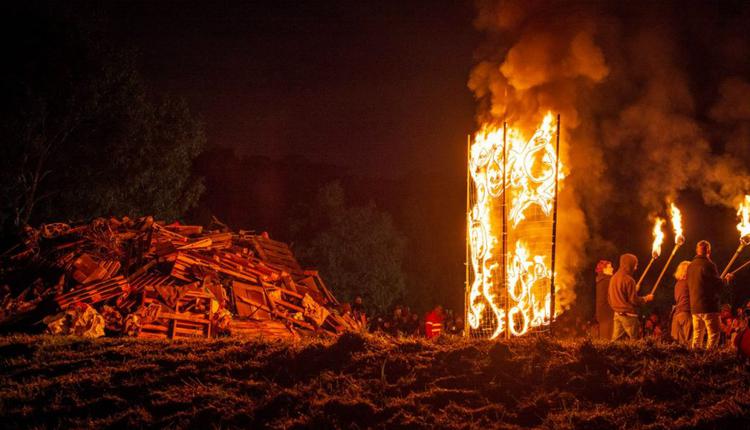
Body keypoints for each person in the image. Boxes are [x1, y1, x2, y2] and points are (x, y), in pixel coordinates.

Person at [687, 240, 731, 350]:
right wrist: (726, 280)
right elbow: (717, 285)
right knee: (714, 334)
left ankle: (694, 359)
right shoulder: (709, 264)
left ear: (697, 250)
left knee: (697, 336)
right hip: (708, 306)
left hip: (695, 307)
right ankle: (709, 359)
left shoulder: (690, 266)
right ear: (708, 251)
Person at [608, 253, 654, 340]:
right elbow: (634, 300)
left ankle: (609, 354)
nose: (636, 268)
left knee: (615, 342)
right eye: (635, 265)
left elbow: (611, 297)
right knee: (635, 341)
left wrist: (633, 290)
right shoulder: (629, 280)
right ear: (629, 264)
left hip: (617, 314)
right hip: (628, 316)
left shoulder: (613, 278)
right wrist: (646, 298)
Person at [670, 261, 692, 346]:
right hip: (686, 313)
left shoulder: (678, 284)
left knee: (678, 344)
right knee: (688, 343)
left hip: (677, 315)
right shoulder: (689, 283)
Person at [595, 260, 615, 339]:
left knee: (604, 340)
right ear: (604, 269)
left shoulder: (601, 280)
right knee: (608, 341)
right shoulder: (607, 281)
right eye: (610, 267)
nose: (612, 269)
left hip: (603, 315)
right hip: (608, 315)